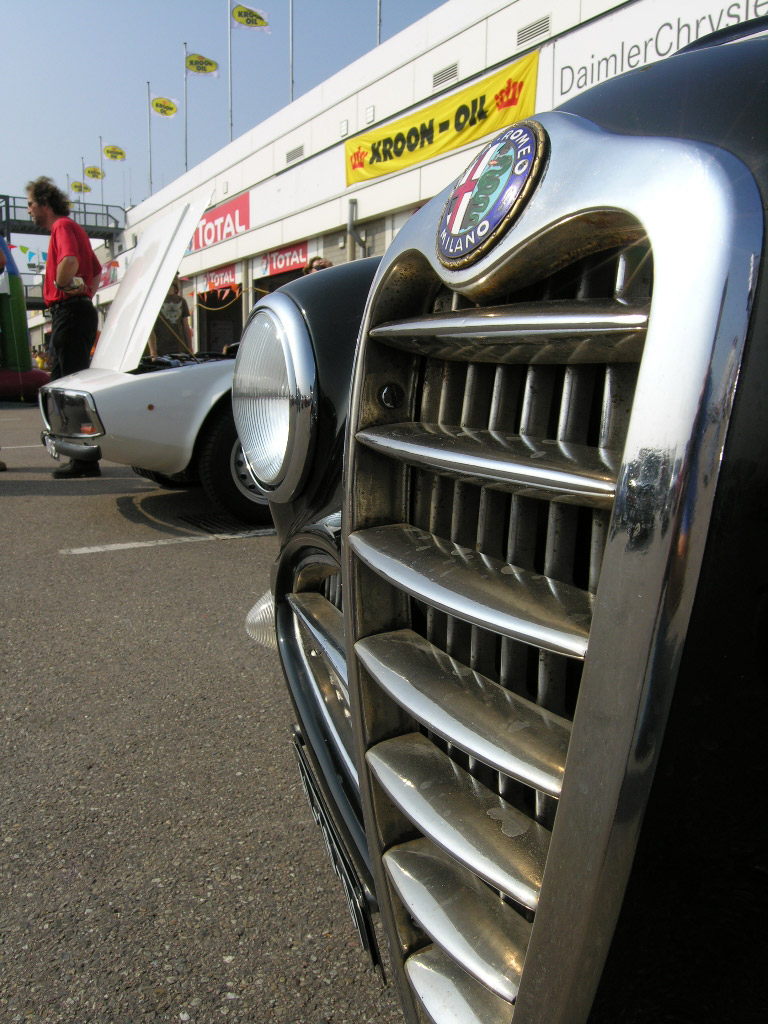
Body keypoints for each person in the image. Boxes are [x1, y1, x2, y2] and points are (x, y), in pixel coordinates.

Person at [27, 176, 102, 479]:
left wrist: (63, 286)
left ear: (45, 203)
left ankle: (83, 460)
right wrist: (84, 293)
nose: (29, 209)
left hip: (69, 312)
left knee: (66, 388)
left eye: (31, 203)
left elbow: (70, 259)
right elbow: (96, 272)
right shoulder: (73, 228)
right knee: (69, 385)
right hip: (76, 310)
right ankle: (81, 456)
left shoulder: (62, 227)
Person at [147, 276, 192, 357]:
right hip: (162, 351)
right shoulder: (155, 301)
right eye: (174, 277)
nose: (176, 279)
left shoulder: (181, 301)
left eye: (176, 277)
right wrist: (153, 352)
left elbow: (186, 327)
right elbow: (149, 329)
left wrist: (190, 348)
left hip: (181, 350)